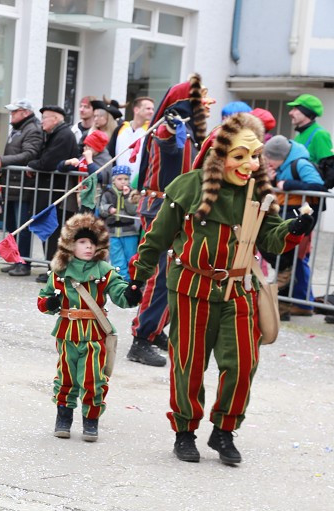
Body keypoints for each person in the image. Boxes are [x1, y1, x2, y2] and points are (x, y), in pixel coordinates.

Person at [126, 113, 313, 465]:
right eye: (240, 156)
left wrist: (294, 227)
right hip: (192, 287)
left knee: (243, 363)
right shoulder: (189, 186)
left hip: (239, 289)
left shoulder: (257, 191)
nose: (249, 164)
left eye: (254, 156)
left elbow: (271, 237)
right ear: (219, 154)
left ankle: (224, 430)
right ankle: (185, 431)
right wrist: (138, 276)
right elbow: (158, 235)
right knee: (189, 364)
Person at [127, 73, 210, 367]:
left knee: (172, 273)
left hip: (177, 207)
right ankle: (142, 337)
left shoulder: (184, 130)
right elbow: (169, 149)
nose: (204, 110)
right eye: (199, 103)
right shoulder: (167, 128)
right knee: (160, 276)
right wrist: (173, 124)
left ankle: (155, 327)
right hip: (162, 207)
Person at [38, 214, 134, 442]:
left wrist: (131, 292)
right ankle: (63, 419)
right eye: (82, 242)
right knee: (65, 378)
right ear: (70, 244)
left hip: (94, 333)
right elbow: (43, 299)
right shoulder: (60, 271)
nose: (88, 246)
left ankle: (91, 421)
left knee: (93, 379)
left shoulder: (105, 270)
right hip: (67, 332)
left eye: (92, 242)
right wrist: (49, 304)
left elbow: (121, 295)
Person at [263, 134, 325, 318]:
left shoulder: (300, 164)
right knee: (279, 250)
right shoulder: (282, 165)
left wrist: (288, 184)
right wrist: (273, 181)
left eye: (269, 159)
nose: (267, 163)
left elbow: (319, 187)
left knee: (292, 257)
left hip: (303, 214)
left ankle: (290, 304)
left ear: (279, 157)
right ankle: (284, 303)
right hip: (289, 212)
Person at [28, 105, 80, 282]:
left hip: (58, 195)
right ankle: (52, 269)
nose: (42, 121)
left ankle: (55, 271)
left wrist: (32, 164)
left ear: (56, 119)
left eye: (45, 118)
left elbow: (48, 162)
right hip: (53, 193)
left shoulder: (63, 135)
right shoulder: (55, 134)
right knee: (50, 233)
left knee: (55, 234)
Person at [0, 99, 43, 276]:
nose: (11, 115)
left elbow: (29, 154)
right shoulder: (19, 129)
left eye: (14, 112)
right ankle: (16, 260)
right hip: (13, 184)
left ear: (25, 112)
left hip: (23, 185)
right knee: (12, 225)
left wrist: (2, 161)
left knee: (21, 227)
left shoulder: (32, 129)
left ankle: (24, 262)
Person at [98, 166, 140, 282]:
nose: (123, 182)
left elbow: (133, 210)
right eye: (120, 179)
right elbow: (101, 208)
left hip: (129, 232)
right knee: (117, 259)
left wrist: (127, 197)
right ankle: (122, 281)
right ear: (113, 180)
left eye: (126, 179)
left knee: (131, 258)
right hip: (112, 233)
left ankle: (133, 281)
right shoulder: (107, 193)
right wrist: (109, 208)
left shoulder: (133, 193)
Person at [286, 93, 333, 165]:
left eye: (295, 109)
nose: (290, 113)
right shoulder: (299, 136)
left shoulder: (320, 134)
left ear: (306, 113)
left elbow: (329, 168)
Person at [113, 96, 154, 176]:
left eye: (152, 109)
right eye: (148, 109)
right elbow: (111, 153)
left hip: (140, 181)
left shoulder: (151, 131)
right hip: (119, 181)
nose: (151, 112)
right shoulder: (121, 129)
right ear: (136, 110)